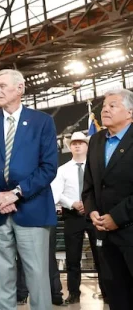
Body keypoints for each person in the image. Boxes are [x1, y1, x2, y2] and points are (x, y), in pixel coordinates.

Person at [0, 68, 58, 310]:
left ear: (20, 88)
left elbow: (49, 167)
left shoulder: (42, 122)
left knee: (37, 275)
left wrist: (16, 193)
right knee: (2, 275)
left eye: (1, 86)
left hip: (32, 208)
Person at [82, 88, 133, 310]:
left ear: (130, 112)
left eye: (113, 105)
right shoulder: (95, 140)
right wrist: (92, 210)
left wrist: (117, 217)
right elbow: (89, 185)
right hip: (104, 234)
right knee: (116, 295)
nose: (106, 110)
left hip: (129, 229)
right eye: (104, 107)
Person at [52, 131, 105, 304]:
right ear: (70, 146)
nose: (77, 145)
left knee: (101, 256)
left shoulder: (96, 167)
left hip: (94, 215)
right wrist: (72, 203)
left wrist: (89, 205)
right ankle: (74, 294)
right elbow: (56, 193)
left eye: (80, 142)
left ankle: (106, 291)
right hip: (72, 216)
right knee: (72, 258)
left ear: (87, 146)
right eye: (74, 143)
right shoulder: (62, 170)